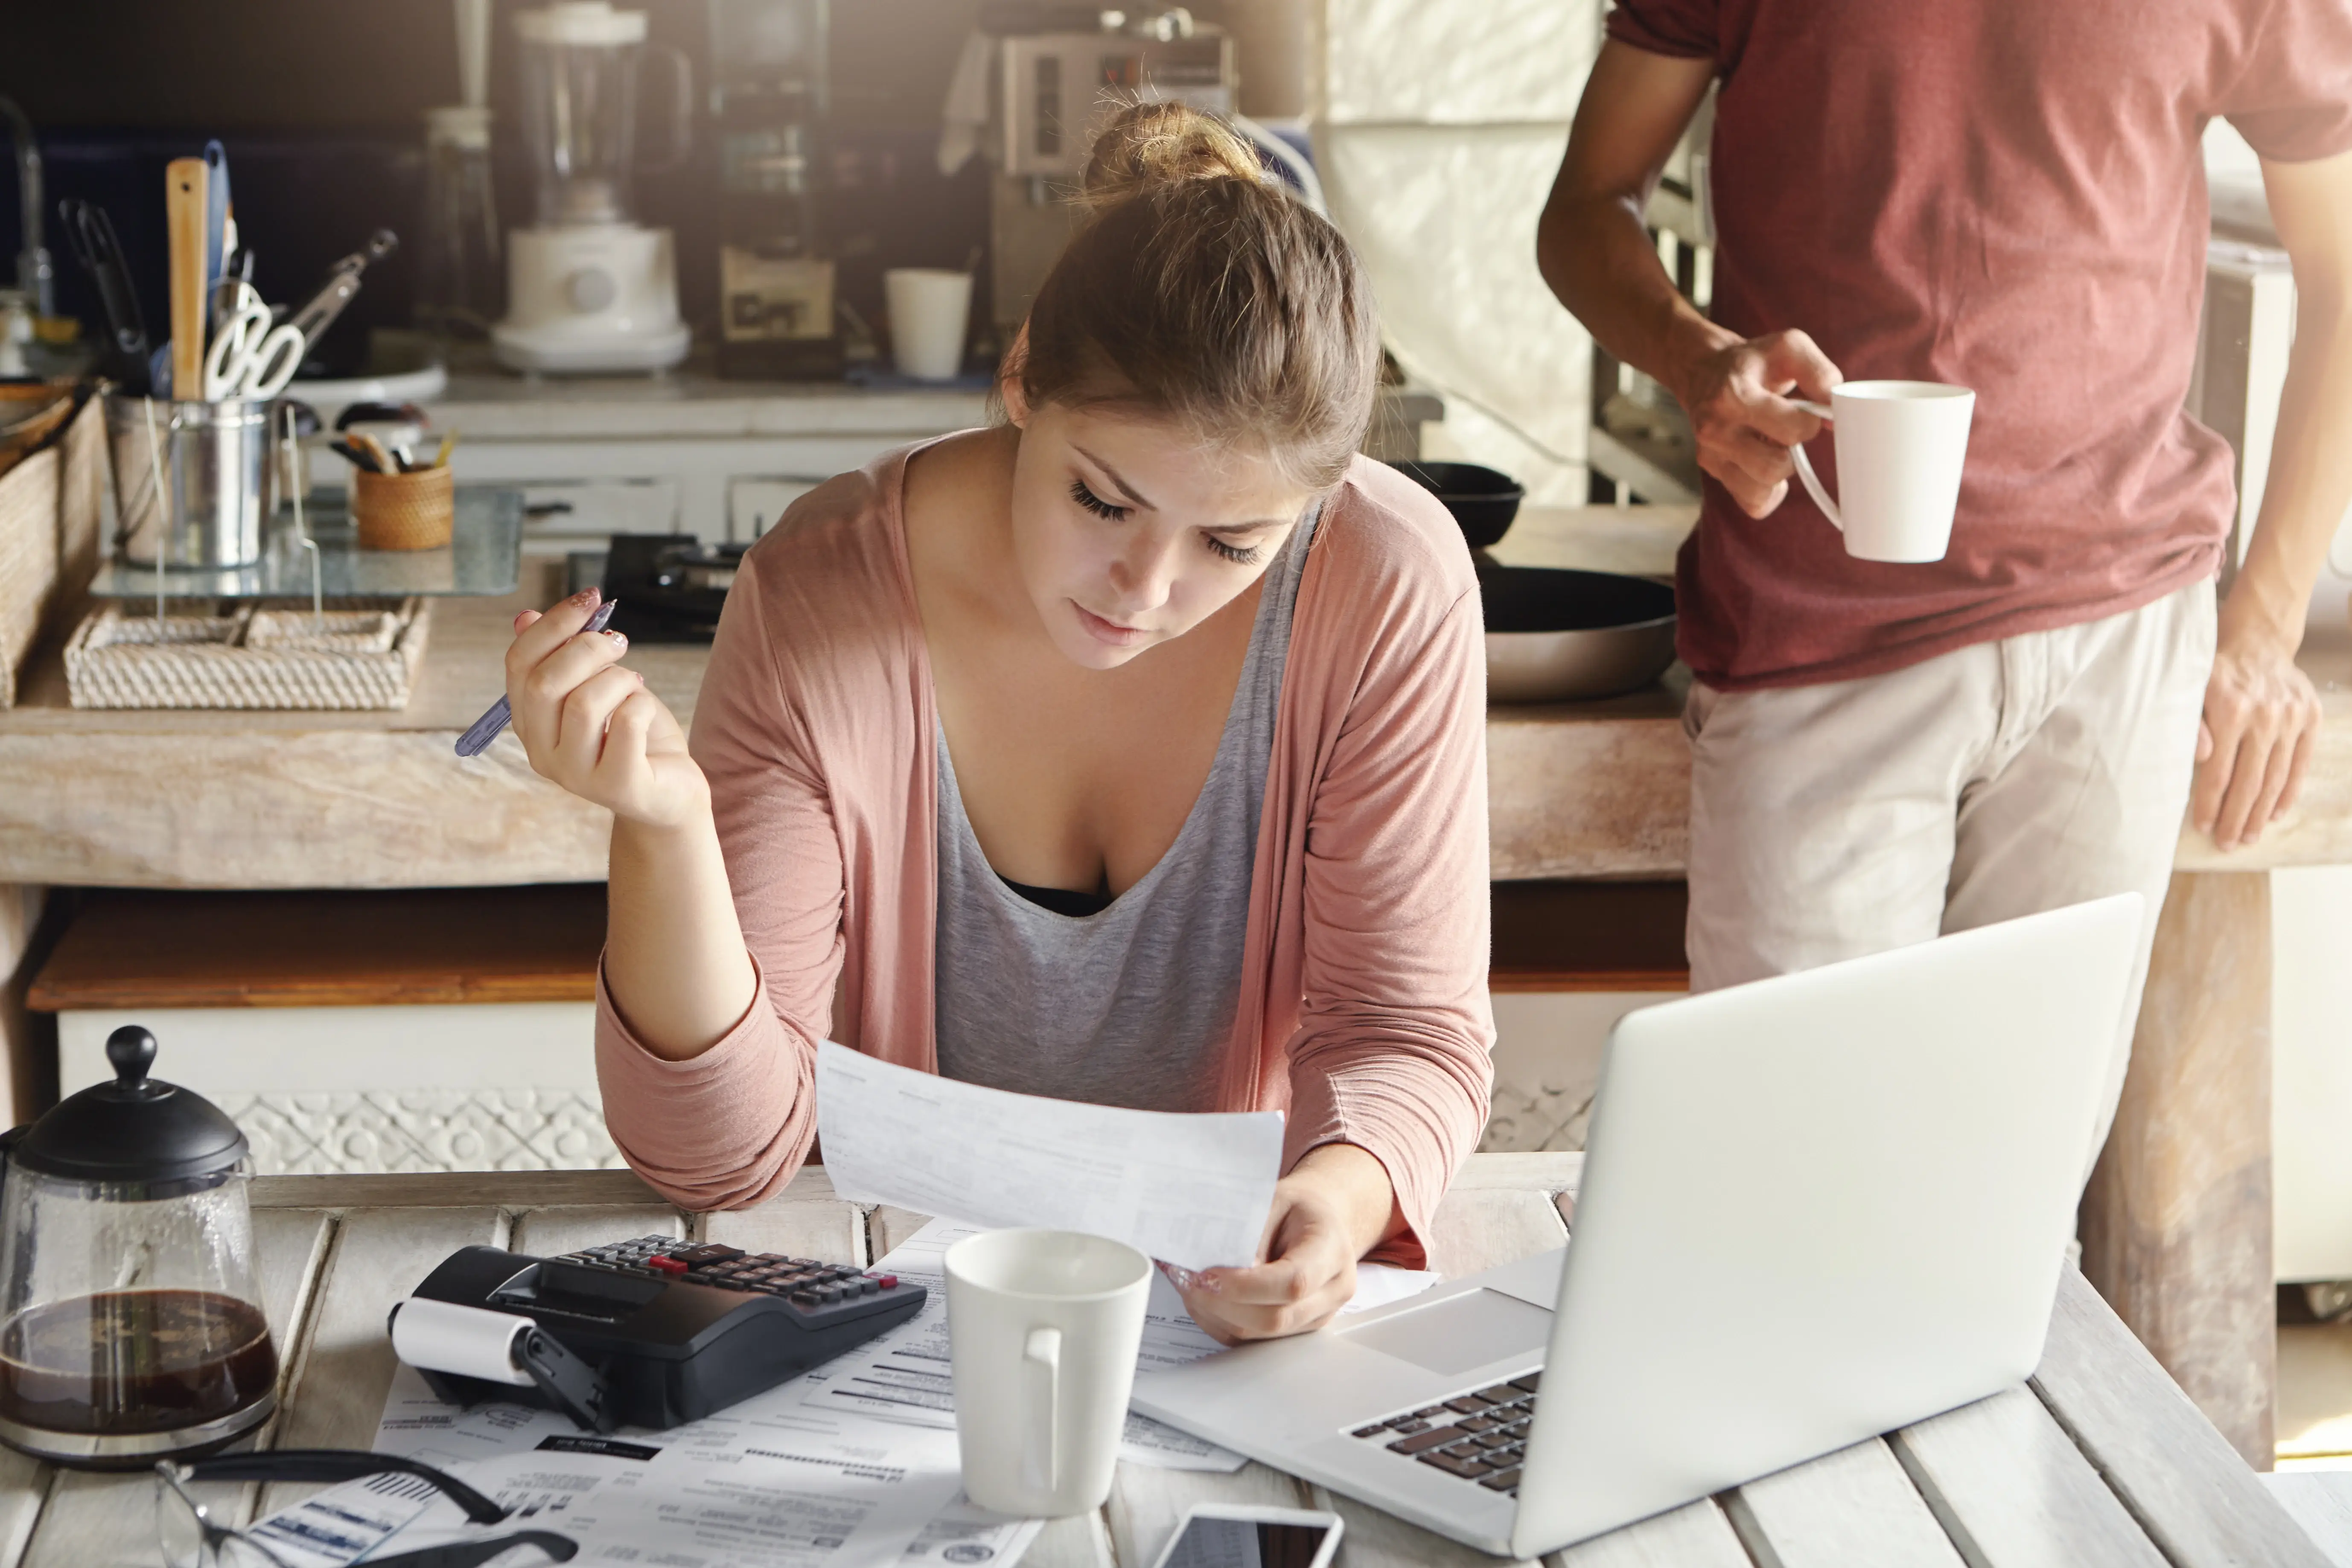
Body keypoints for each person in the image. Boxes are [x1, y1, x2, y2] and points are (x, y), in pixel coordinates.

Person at [501, 104, 1495, 1344]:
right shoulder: (821, 589)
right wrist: (665, 829)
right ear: (1022, 378)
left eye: (1232, 545)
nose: (1144, 591)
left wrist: (1337, 1202)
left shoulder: (1385, 581)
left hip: (1207, 1322)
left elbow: (1403, 1030)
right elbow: (717, 1163)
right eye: (1103, 499)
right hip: (896, 1325)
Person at [1536, 1, 2352, 1153]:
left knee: (2009, 1216)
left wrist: (2259, 631)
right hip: (1813, 638)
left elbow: (2343, 279)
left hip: (2116, 643)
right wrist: (1693, 357)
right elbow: (1583, 207)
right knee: (1788, 1185)